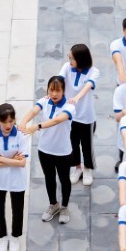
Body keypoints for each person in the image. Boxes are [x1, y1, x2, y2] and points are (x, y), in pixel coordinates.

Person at [25, 75, 78, 225]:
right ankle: (53, 204)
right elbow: (33, 111)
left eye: (58, 90)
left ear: (63, 91)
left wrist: (37, 126)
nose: (54, 94)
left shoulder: (69, 107)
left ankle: (64, 207)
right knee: (49, 178)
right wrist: (23, 123)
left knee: (64, 179)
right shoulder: (44, 101)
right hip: (44, 150)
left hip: (63, 152)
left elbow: (57, 120)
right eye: (51, 90)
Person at [0, 104, 30, 251]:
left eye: (11, 121)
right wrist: (12, 160)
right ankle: (2, 237)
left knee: (18, 209)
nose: (8, 125)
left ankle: (15, 237)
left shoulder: (22, 135)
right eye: (4, 122)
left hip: (17, 179)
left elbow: (22, 163)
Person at [61, 44, 100, 184]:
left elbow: (88, 86)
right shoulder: (67, 67)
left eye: (72, 58)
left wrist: (77, 97)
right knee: (72, 144)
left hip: (86, 117)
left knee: (87, 145)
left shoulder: (93, 71)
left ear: (81, 59)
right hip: (70, 115)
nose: (70, 61)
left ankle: (88, 169)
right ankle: (77, 168)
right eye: (69, 57)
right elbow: (59, 80)